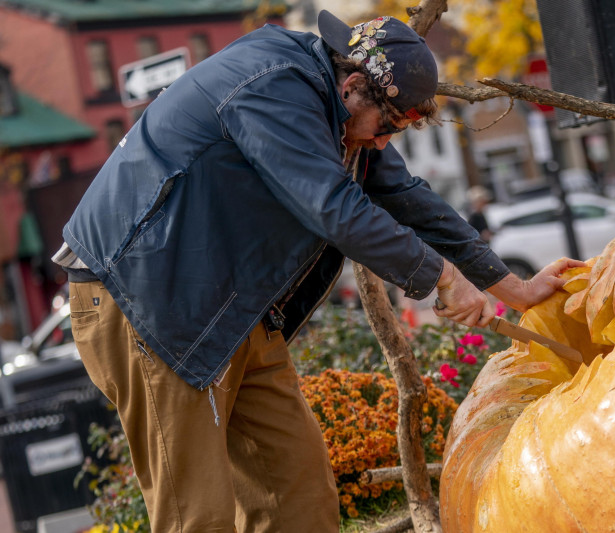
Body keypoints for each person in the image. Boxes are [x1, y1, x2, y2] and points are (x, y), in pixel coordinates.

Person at [53, 11, 584, 533]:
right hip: (149, 303)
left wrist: (512, 287)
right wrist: (440, 277)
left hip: (232, 310)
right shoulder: (275, 84)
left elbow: (404, 196)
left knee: (299, 499)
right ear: (353, 86)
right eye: (388, 127)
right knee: (197, 517)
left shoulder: (338, 108)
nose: (382, 144)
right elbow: (332, 207)